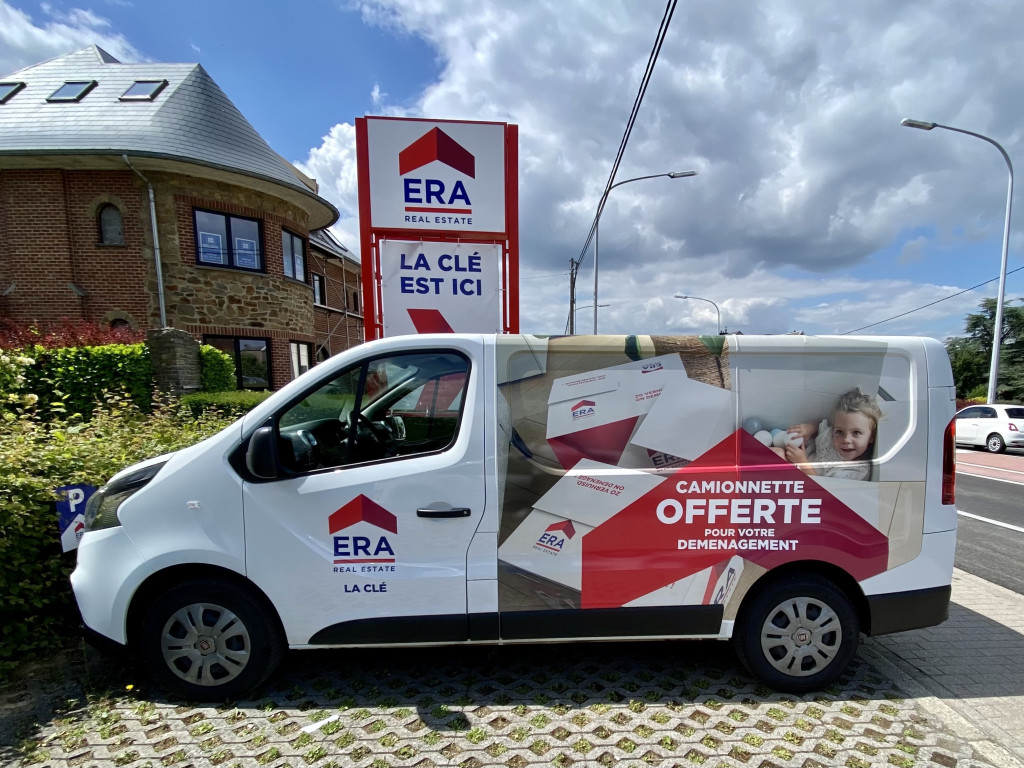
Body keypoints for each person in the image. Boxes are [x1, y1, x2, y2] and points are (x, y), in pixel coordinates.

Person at [781, 389, 882, 480]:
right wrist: (809, 428)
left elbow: (824, 489)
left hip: (810, 484)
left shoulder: (857, 472)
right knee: (777, 453)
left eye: (856, 433)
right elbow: (819, 426)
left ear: (871, 437)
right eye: (840, 431)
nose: (846, 439)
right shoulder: (832, 436)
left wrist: (803, 464)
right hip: (800, 460)